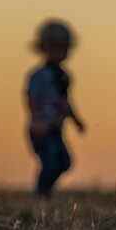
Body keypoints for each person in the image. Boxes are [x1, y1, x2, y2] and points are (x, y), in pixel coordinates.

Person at [24, 19, 86, 198]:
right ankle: (41, 193)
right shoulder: (38, 76)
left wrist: (76, 121)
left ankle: (45, 192)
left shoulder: (64, 77)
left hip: (55, 129)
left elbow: (66, 102)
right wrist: (37, 120)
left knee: (64, 162)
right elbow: (32, 99)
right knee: (50, 162)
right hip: (41, 128)